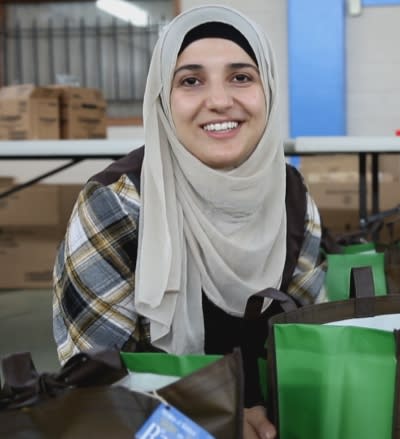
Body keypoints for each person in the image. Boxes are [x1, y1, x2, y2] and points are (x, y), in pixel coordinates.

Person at [52, 5, 326, 438]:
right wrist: (216, 422)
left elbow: (306, 353)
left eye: (241, 77)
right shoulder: (115, 204)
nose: (219, 100)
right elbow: (92, 381)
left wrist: (263, 414)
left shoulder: (293, 198)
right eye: (191, 81)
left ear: (267, 89)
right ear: (163, 97)